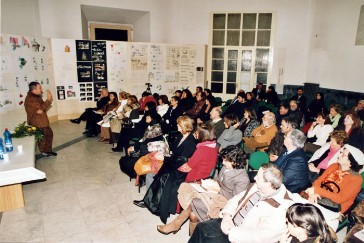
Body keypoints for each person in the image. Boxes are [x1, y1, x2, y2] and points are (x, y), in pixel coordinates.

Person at [189, 163, 293, 243]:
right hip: (231, 222)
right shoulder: (256, 187)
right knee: (201, 227)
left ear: (268, 184)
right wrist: (227, 216)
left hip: (242, 237)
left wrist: (232, 232)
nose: (255, 178)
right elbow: (235, 199)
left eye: (259, 177)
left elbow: (261, 237)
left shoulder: (280, 208)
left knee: (208, 239)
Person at [157, 145, 249, 235]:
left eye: (226, 160)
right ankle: (187, 233)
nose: (223, 163)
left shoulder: (243, 179)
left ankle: (176, 225)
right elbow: (218, 179)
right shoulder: (227, 167)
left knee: (193, 203)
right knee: (188, 190)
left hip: (224, 203)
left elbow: (235, 200)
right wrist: (210, 182)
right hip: (214, 193)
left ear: (235, 162)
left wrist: (217, 190)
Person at [140, 122, 218, 223]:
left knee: (166, 176)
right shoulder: (211, 146)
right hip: (200, 173)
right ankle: (152, 201)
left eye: (197, 132)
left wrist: (173, 165)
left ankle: (159, 205)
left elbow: (186, 168)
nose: (195, 134)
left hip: (195, 176)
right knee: (166, 170)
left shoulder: (203, 149)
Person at [305, 144, 364, 213]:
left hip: (334, 209)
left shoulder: (356, 179)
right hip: (318, 197)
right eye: (341, 153)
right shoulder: (334, 166)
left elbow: (339, 198)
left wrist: (317, 190)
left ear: (351, 162)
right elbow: (319, 181)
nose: (339, 155)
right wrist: (316, 193)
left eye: (343, 155)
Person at [24, 81, 57, 157]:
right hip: (37, 121)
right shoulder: (30, 99)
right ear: (33, 90)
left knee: (49, 134)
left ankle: (48, 150)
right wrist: (48, 100)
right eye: (39, 88)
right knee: (43, 137)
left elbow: (42, 108)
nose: (41, 89)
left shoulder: (36, 96)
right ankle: (44, 151)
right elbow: (41, 108)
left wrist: (42, 108)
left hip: (42, 120)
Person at [274, 129, 310, 193]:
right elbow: (275, 167)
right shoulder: (286, 150)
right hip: (275, 179)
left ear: (291, 141)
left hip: (288, 190)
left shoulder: (298, 159)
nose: (284, 137)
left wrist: (266, 177)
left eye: (286, 136)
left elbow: (284, 180)